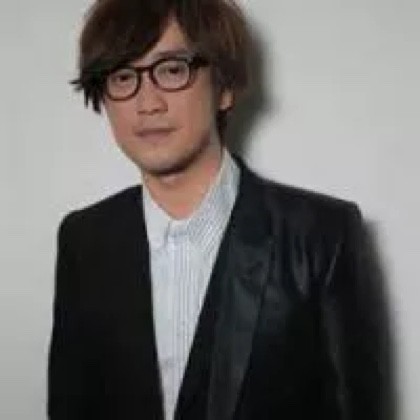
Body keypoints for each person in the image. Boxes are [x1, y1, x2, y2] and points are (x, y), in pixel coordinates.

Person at [48, 0, 382, 419]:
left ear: (224, 88)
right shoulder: (83, 240)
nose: (147, 103)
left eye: (172, 70)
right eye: (122, 76)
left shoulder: (323, 235)